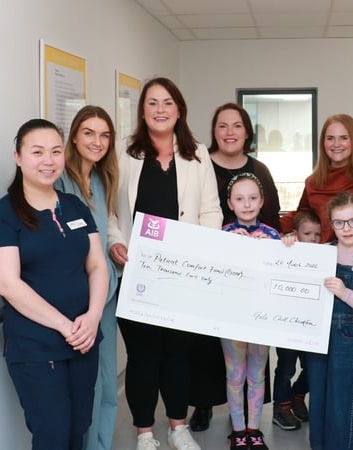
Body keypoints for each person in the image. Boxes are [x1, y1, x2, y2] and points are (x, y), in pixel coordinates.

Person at [107, 77, 221, 450]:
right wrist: (116, 241)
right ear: (143, 110)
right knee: (143, 356)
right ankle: (143, 432)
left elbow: (210, 210)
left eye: (167, 102)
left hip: (181, 273)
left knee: (177, 354)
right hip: (137, 271)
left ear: (179, 109)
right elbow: (109, 209)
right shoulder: (124, 152)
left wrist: (199, 252)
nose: (160, 110)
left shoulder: (198, 153)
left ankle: (177, 427)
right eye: (152, 103)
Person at [0, 118, 108, 450]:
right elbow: (8, 285)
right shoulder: (2, 215)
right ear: (18, 157)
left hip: (84, 340)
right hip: (36, 347)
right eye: (37, 152)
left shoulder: (74, 206)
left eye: (55, 151)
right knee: (52, 434)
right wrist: (66, 326)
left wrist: (93, 317)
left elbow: (96, 265)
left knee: (78, 428)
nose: (48, 161)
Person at [280, 113, 353, 392]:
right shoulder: (314, 181)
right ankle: (327, 398)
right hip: (332, 264)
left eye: (343, 137)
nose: (337, 144)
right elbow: (302, 216)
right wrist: (280, 231)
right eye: (330, 138)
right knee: (334, 340)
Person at [187, 103, 280, 432]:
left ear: (247, 132)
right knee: (215, 354)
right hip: (217, 282)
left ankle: (247, 427)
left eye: (237, 125)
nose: (229, 132)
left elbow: (275, 226)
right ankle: (205, 406)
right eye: (222, 125)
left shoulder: (261, 171)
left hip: (255, 296)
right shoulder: (198, 165)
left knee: (252, 367)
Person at [54, 105, 119, 450]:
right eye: (89, 133)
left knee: (109, 387)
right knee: (85, 389)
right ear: (75, 136)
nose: (97, 141)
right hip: (75, 304)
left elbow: (106, 230)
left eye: (104, 135)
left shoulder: (102, 180)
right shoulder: (59, 180)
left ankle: (102, 445)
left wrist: (118, 248)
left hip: (105, 297)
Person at [301, 192, 353, 450]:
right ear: (330, 224)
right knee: (319, 401)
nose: (346, 228)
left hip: (349, 340)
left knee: (343, 403)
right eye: (339, 222)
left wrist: (345, 293)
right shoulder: (322, 253)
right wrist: (290, 242)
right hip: (318, 338)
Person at [220, 172, 280, 450]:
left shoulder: (271, 235)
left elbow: (282, 270)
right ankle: (238, 430)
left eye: (253, 198)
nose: (247, 204)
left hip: (262, 318)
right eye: (240, 199)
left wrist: (280, 247)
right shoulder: (223, 235)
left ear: (262, 201)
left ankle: (254, 430)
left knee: (257, 374)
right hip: (231, 319)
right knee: (235, 375)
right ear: (230, 203)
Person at [272, 210, 320, 431]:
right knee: (286, 369)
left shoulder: (325, 256)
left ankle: (298, 395)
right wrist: (286, 242)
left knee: (312, 367)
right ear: (295, 234)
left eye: (317, 234)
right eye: (307, 233)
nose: (313, 238)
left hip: (312, 325)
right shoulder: (287, 250)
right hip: (287, 324)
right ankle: (281, 408)